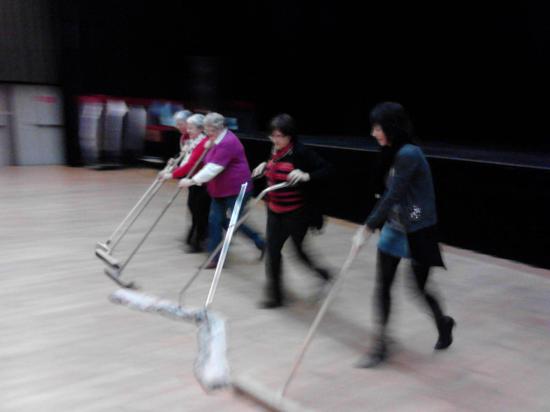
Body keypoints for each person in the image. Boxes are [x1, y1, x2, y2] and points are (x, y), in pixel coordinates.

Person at [354, 102, 455, 368]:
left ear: (391, 127)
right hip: (395, 230)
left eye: (378, 127)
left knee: (418, 288)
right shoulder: (390, 152)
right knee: (383, 287)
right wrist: (376, 223)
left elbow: (394, 194)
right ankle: (380, 345)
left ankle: (443, 323)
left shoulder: (409, 154)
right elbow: (385, 193)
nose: (374, 133)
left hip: (418, 230)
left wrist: (368, 226)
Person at [252, 114, 332, 309]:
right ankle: (275, 296)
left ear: (290, 136)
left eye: (279, 136)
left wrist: (306, 175)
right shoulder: (275, 149)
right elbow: (275, 167)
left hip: (296, 212)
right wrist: (265, 167)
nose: (275, 140)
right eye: (272, 135)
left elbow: (327, 170)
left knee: (298, 251)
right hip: (274, 210)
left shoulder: (301, 153)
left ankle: (324, 275)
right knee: (272, 252)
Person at [178, 112, 264, 268]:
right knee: (215, 221)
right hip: (219, 189)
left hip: (237, 189)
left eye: (208, 129)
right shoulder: (215, 140)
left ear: (217, 128)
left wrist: (192, 180)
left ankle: (260, 242)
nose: (206, 132)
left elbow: (213, 168)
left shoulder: (227, 142)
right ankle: (215, 258)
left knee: (235, 222)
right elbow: (208, 161)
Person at [161, 114, 211, 252]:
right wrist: (174, 166)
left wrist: (171, 174)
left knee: (199, 211)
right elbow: (186, 161)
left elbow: (191, 165)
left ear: (200, 129)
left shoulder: (202, 144)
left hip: (204, 183)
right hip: (194, 181)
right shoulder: (193, 141)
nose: (188, 131)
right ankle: (197, 238)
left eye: (191, 128)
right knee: (195, 209)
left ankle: (198, 241)